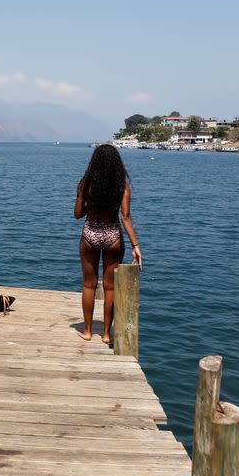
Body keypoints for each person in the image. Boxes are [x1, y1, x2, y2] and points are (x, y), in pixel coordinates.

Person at [74, 144, 142, 344]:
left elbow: (77, 214)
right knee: (110, 288)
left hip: (90, 234)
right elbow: (126, 217)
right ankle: (105, 335)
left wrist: (90, 206)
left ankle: (87, 331)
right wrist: (135, 246)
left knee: (89, 285)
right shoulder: (122, 185)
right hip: (113, 235)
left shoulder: (85, 184)